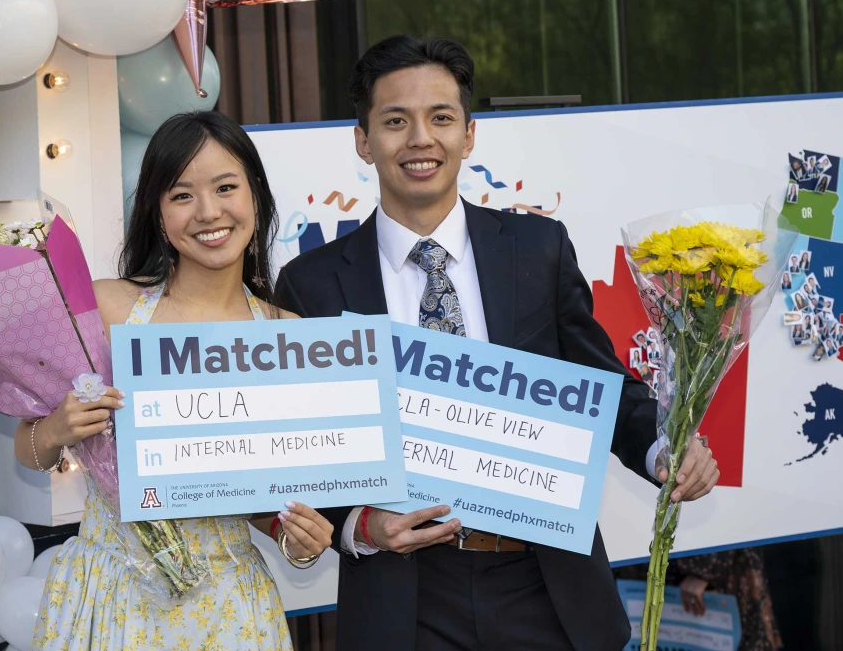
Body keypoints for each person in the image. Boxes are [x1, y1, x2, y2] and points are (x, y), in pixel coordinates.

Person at [274, 35, 719, 651]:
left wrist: (663, 448)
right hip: (403, 594)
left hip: (545, 580)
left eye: (441, 118)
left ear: (470, 134)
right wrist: (357, 527)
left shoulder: (537, 250)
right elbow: (299, 451)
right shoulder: (311, 284)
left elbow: (602, 386)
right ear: (363, 140)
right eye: (395, 121)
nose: (420, 140)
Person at [16, 111, 334, 651]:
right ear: (157, 213)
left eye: (226, 187)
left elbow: (260, 493)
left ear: (256, 195)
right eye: (182, 195)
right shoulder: (106, 307)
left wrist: (299, 539)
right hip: (110, 597)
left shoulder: (289, 336)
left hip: (230, 609)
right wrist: (54, 430)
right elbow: (28, 450)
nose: (208, 212)